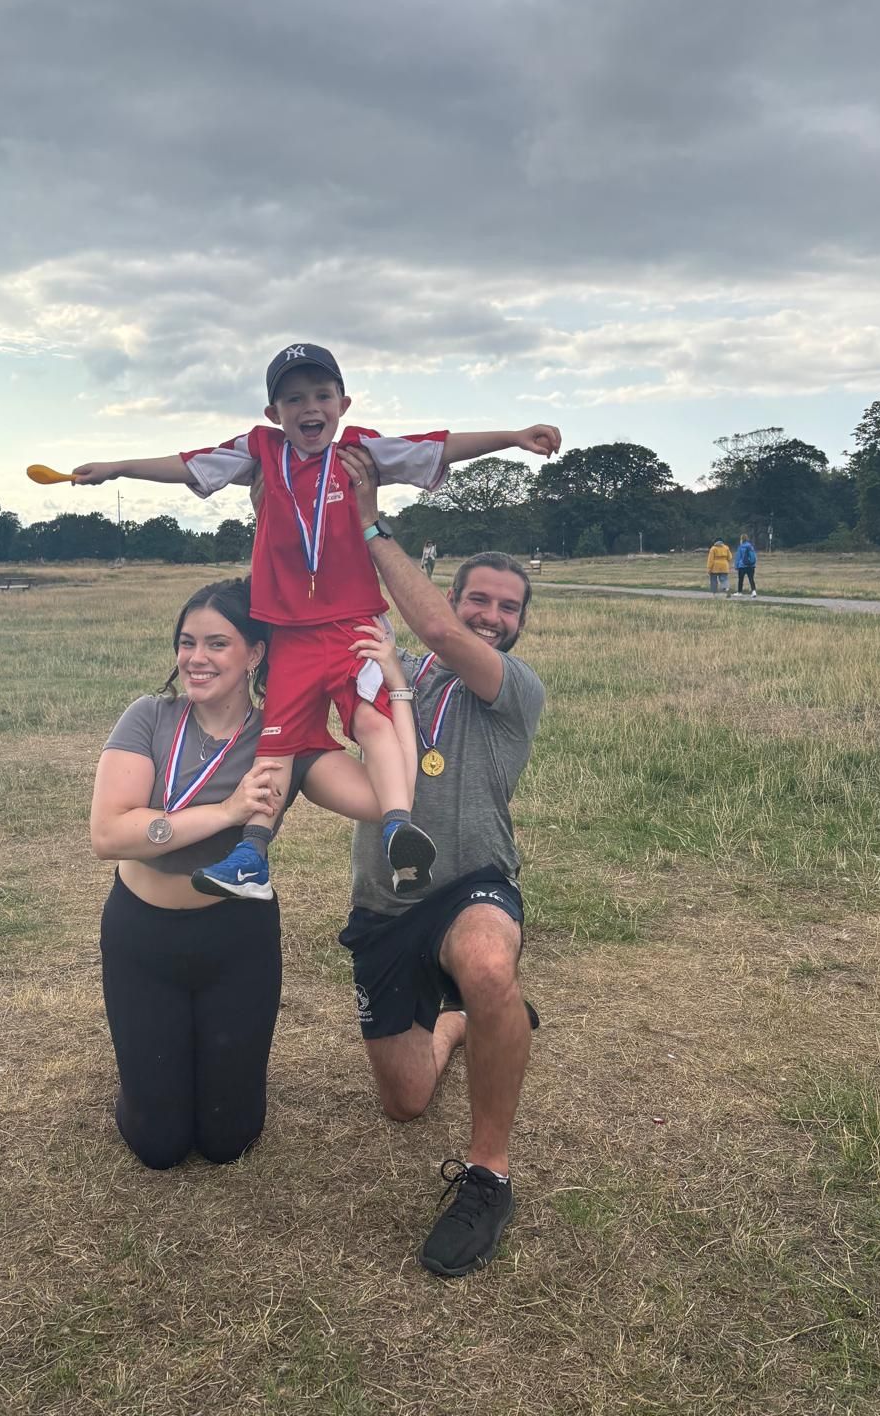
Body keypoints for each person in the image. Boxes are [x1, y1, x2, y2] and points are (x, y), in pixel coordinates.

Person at [73, 343, 561, 906]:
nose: (310, 407)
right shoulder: (260, 452)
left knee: (372, 724)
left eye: (322, 395)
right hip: (289, 633)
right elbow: (188, 464)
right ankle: (251, 854)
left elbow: (438, 443)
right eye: (294, 398)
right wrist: (116, 468)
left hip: (354, 625)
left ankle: (400, 827)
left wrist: (514, 436)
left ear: (343, 403)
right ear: (272, 413)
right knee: (275, 746)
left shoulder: (360, 452)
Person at [91, 575, 416, 1170]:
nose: (196, 658)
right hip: (142, 937)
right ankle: (150, 1083)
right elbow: (110, 834)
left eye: (217, 643)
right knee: (156, 1145)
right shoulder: (149, 718)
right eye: (186, 642)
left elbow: (384, 796)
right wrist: (227, 811)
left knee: (228, 1140)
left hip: (235, 940)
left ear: (256, 652)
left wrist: (394, 690)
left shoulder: (284, 739)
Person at [336, 444, 548, 1278]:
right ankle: (468, 1020)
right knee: (406, 1101)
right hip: (386, 903)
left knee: (488, 963)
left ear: (519, 623)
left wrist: (368, 522)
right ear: (456, 594)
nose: (493, 615)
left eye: (509, 606)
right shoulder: (395, 676)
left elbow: (433, 629)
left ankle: (490, 1174)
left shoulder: (512, 688)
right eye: (479, 600)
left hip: (473, 883)